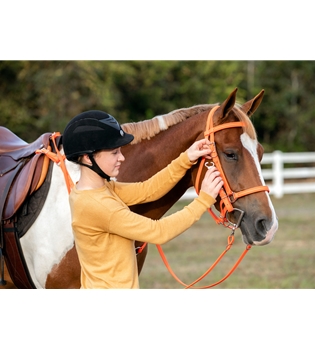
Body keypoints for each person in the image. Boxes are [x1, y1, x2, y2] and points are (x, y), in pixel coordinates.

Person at [63, 110, 223, 289]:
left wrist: (186, 158)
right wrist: (203, 201)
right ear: (88, 157)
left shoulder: (94, 190)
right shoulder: (99, 205)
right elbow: (159, 231)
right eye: (114, 153)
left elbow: (147, 190)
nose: (122, 158)